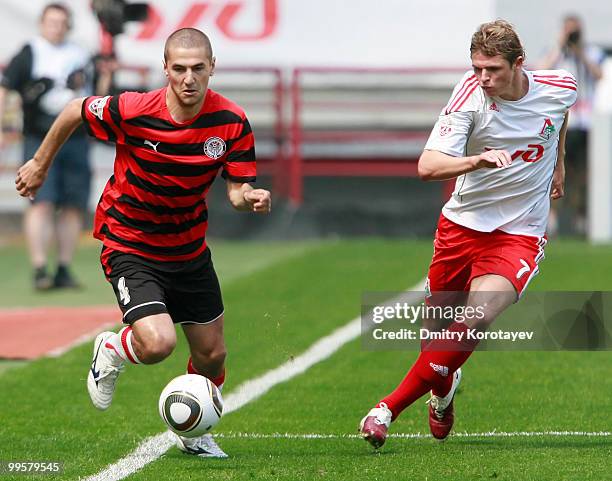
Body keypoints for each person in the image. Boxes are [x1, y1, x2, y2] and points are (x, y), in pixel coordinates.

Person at [16, 27, 271, 458]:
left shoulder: (231, 122)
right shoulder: (134, 109)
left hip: (188, 249)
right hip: (129, 242)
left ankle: (193, 431)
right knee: (157, 343)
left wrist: (250, 198)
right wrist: (40, 164)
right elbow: (76, 109)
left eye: (198, 69)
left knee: (212, 356)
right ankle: (112, 350)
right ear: (165, 69)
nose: (188, 79)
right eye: (179, 69)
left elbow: (236, 189)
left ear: (212, 68)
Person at [359, 19, 576, 448]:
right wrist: (475, 161)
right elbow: (427, 167)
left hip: (519, 233)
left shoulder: (560, 85)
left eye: (493, 69)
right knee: (436, 342)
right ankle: (443, 393)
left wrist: (559, 161)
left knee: (476, 317)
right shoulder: (470, 97)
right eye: (477, 67)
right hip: (462, 228)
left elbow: (560, 115)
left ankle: (386, 408)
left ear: (519, 64)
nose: (483, 78)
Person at [0, 3, 113, 290]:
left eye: (62, 22)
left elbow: (97, 94)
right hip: (40, 136)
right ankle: (40, 268)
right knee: (41, 201)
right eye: (52, 22)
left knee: (73, 204)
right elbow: (6, 87)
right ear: (41, 24)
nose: (57, 27)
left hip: (76, 138)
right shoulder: (30, 52)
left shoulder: (80, 54)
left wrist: (107, 73)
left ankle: (63, 267)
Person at [538, 14, 604, 235]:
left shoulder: (590, 51)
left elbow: (599, 74)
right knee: (554, 169)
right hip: (561, 119)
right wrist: (560, 45)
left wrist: (579, 51)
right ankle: (552, 217)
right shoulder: (555, 52)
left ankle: (581, 217)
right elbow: (541, 71)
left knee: (583, 173)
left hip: (586, 123)